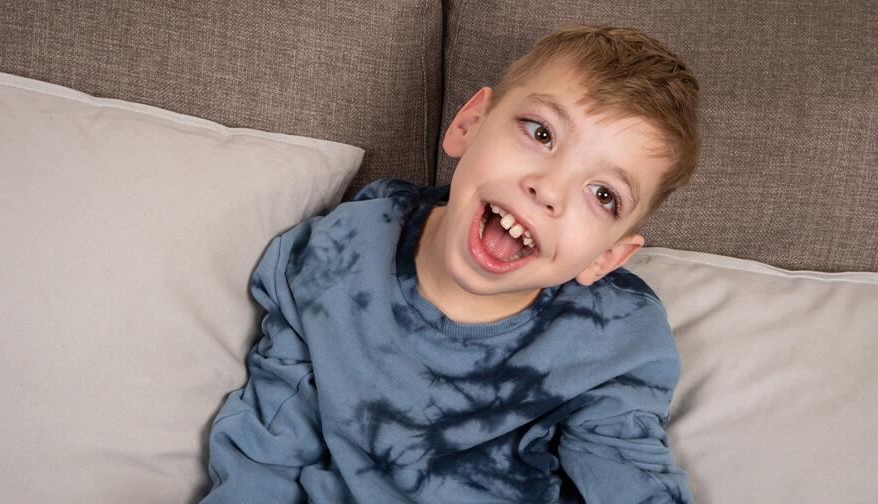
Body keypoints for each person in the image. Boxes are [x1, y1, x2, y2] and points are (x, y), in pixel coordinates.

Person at [201, 24, 699, 504]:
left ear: (606, 258)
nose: (548, 189)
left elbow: (630, 474)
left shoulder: (613, 337)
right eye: (542, 133)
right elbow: (268, 444)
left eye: (603, 194)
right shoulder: (339, 254)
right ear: (469, 124)